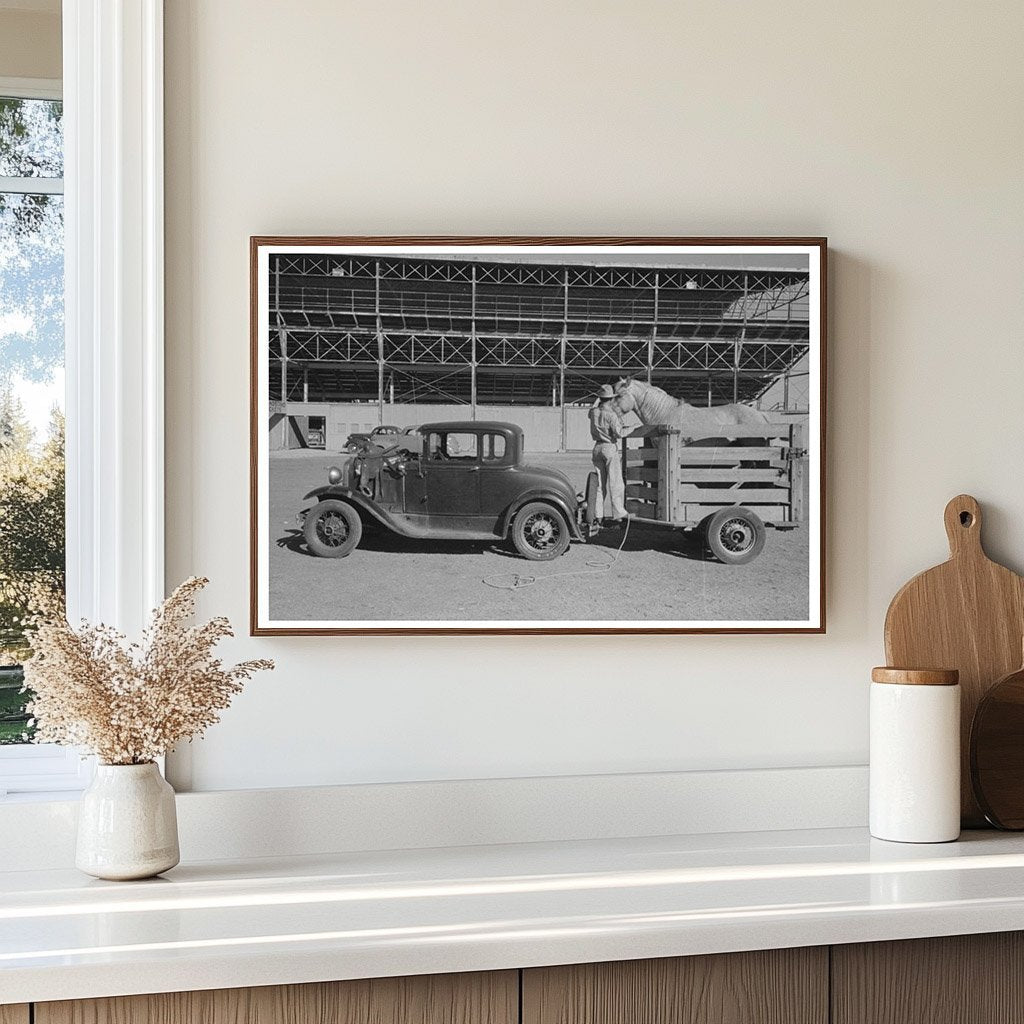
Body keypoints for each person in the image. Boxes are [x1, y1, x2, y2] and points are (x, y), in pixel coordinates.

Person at [589, 384, 629, 527]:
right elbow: (619, 433)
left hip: (597, 448)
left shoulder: (593, 412)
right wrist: (631, 428)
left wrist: (598, 399)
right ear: (611, 399)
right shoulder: (611, 415)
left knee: (600, 485)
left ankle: (598, 515)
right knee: (616, 483)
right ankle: (618, 514)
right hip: (609, 447)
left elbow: (593, 408)